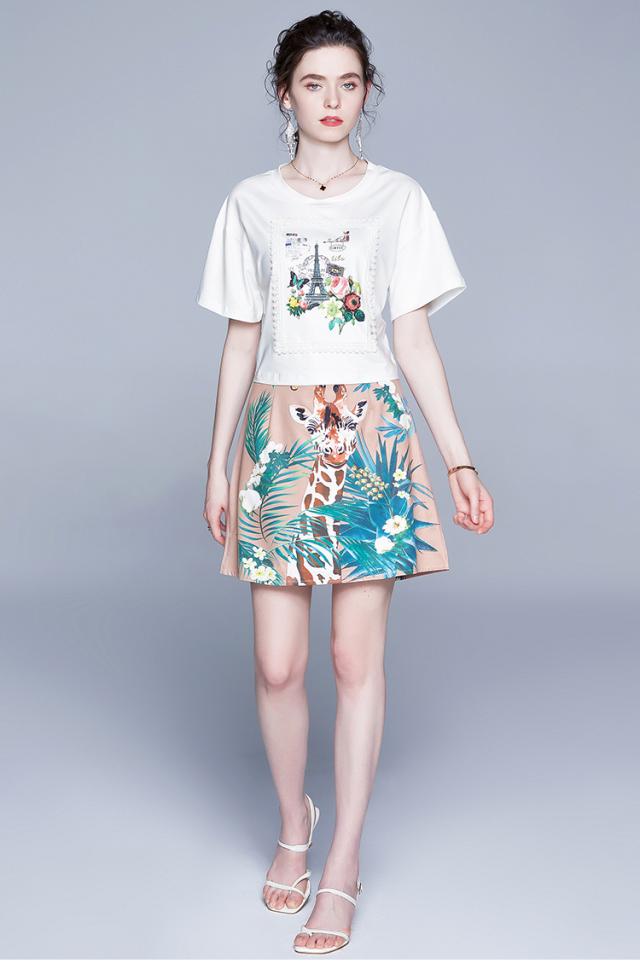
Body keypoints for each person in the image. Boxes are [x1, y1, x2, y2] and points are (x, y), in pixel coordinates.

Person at [196, 10, 494, 956]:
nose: (332, 100)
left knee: (353, 660)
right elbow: (241, 336)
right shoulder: (250, 202)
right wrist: (217, 460)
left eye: (349, 83)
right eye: (314, 83)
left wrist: (458, 457)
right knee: (278, 664)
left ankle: (344, 860)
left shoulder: (399, 199)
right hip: (278, 436)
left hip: (367, 435)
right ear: (285, 94)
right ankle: (296, 822)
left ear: (368, 92)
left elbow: (414, 339)